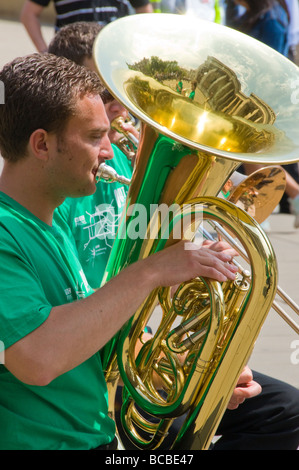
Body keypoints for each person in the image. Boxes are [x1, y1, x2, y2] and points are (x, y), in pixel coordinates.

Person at [46, 22, 299, 451]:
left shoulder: (125, 167)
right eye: (106, 98)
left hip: (135, 342)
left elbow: (161, 260)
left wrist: (204, 266)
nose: (121, 112)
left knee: (285, 410)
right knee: (163, 430)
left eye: (116, 96)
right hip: (91, 357)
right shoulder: (58, 189)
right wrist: (173, 358)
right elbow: (71, 301)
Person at [0, 52, 244, 450]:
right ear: (42, 144)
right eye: (96, 136)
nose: (110, 151)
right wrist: (149, 272)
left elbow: (84, 331)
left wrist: (195, 373)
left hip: (94, 436)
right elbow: (37, 356)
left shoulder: (52, 219)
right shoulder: (4, 232)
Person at [48, 21, 135, 288]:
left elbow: (148, 237)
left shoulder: (124, 157)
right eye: (103, 90)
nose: (121, 104)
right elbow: (75, 292)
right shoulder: (58, 177)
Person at [227, 0, 299, 228]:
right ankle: (271, 204)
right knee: (250, 151)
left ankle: (260, 208)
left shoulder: (272, 20)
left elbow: (271, 65)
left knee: (251, 151)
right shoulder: (257, 16)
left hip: (260, 97)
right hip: (249, 94)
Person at [20, 0, 153, 52]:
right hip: (71, 56)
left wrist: (137, 49)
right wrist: (45, 52)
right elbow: (28, 14)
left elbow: (145, 13)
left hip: (113, 53)